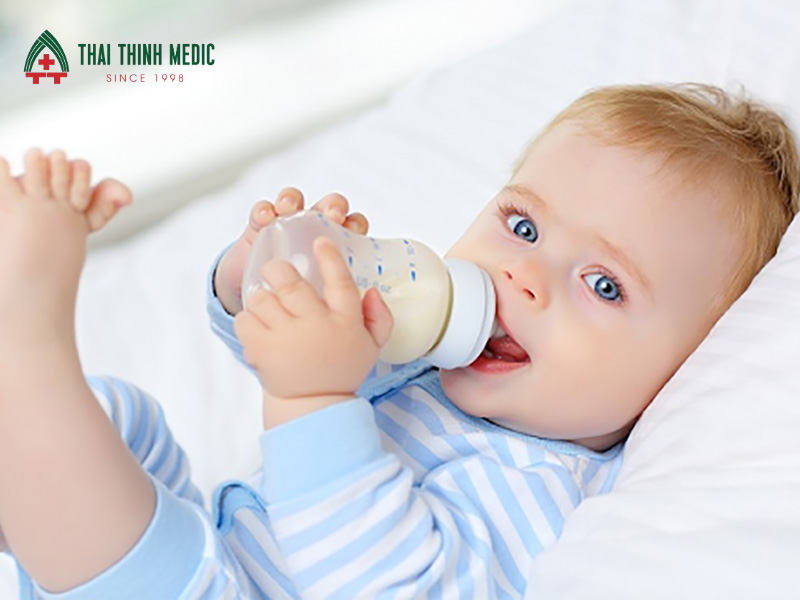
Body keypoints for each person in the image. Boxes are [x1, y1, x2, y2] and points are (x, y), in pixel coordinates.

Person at [0, 82, 797, 599]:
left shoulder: (544, 492)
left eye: (604, 285)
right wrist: (258, 282)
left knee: (78, 457)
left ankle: (25, 347)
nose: (524, 277)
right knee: (119, 420)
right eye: (523, 227)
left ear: (686, 370)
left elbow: (385, 587)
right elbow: (273, 346)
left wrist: (314, 398)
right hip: (218, 540)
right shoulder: (429, 359)